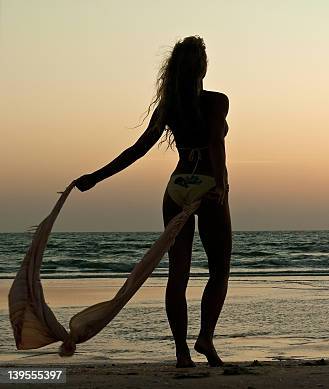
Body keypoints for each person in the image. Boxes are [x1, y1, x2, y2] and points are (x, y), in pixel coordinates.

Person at [74, 36, 231, 368]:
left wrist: (96, 177)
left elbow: (137, 150)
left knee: (178, 273)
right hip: (207, 184)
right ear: (203, 65)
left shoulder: (169, 107)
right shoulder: (217, 101)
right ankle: (205, 337)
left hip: (176, 187)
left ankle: (181, 353)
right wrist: (221, 184)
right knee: (219, 269)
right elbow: (215, 142)